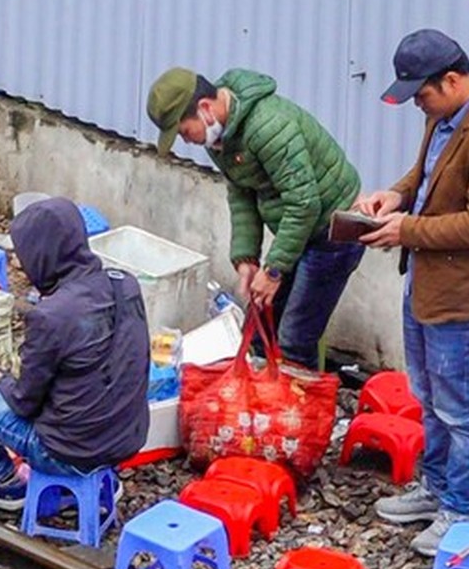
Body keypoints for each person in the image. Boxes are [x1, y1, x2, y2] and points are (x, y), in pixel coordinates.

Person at [356, 29, 469, 556]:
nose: (417, 105)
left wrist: (406, 230)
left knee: (460, 408)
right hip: (427, 285)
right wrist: (396, 194)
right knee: (428, 397)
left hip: (466, 299)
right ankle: (435, 489)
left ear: (451, 80)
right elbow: (426, 176)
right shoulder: (444, 115)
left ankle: (462, 507)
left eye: (421, 94)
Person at [0, 198, 150, 510]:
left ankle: (6, 481)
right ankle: (101, 483)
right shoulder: (125, 284)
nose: (22, 265)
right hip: (126, 441)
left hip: (64, 454)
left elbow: (23, 404)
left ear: (43, 254)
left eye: (25, 255)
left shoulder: (51, 315)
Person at [146, 67, 364, 369]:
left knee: (294, 338)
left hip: (333, 229)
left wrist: (274, 271)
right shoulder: (219, 136)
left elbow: (304, 204)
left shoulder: (269, 127)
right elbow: (241, 193)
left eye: (184, 131)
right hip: (299, 225)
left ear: (205, 109)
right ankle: (261, 400)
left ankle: (299, 409)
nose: (186, 140)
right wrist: (246, 258)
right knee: (261, 322)